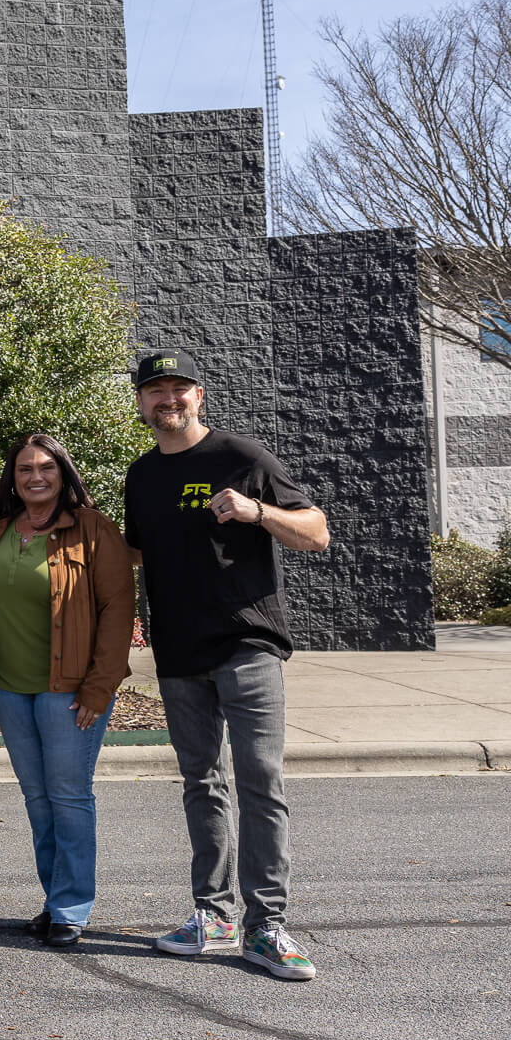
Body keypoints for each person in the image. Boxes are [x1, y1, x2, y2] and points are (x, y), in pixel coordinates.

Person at [125, 349, 330, 981]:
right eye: (156, 390)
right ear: (141, 403)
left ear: (199, 395)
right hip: (180, 653)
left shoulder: (242, 458)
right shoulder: (141, 475)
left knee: (260, 782)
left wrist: (256, 511)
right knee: (201, 785)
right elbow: (137, 557)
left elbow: (317, 531)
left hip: (247, 646)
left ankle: (266, 925)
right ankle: (211, 914)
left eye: (179, 388)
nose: (169, 399)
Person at [0, 434, 132, 948]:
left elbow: (117, 611)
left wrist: (99, 687)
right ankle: (54, 897)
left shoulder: (93, 529)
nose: (35, 477)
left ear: (63, 473)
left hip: (67, 689)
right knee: (37, 798)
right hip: (8, 687)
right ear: (12, 477)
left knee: (68, 796)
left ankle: (72, 905)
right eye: (24, 469)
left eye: (46, 467)